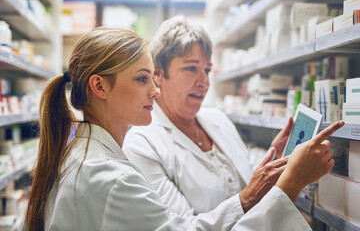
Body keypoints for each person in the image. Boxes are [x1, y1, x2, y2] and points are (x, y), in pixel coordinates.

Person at [25, 27, 342, 231]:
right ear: (100, 86)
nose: (154, 90)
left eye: (207, 69)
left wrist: (273, 171)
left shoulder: (85, 155)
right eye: (142, 79)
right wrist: (290, 185)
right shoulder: (114, 178)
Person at [123, 15, 297, 216]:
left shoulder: (218, 119)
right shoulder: (141, 144)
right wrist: (249, 197)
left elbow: (246, 180)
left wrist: (273, 154)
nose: (204, 81)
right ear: (158, 75)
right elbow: (180, 227)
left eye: (207, 70)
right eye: (191, 68)